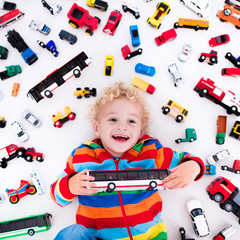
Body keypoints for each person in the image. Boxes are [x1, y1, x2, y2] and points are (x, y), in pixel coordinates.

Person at [51, 82, 204, 240]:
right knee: (71, 234)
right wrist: (70, 185)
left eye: (131, 121)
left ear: (140, 132)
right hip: (98, 237)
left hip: (148, 236)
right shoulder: (81, 157)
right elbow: (56, 196)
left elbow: (189, 159)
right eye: (113, 119)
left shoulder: (151, 152)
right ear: (97, 128)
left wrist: (193, 168)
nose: (122, 126)